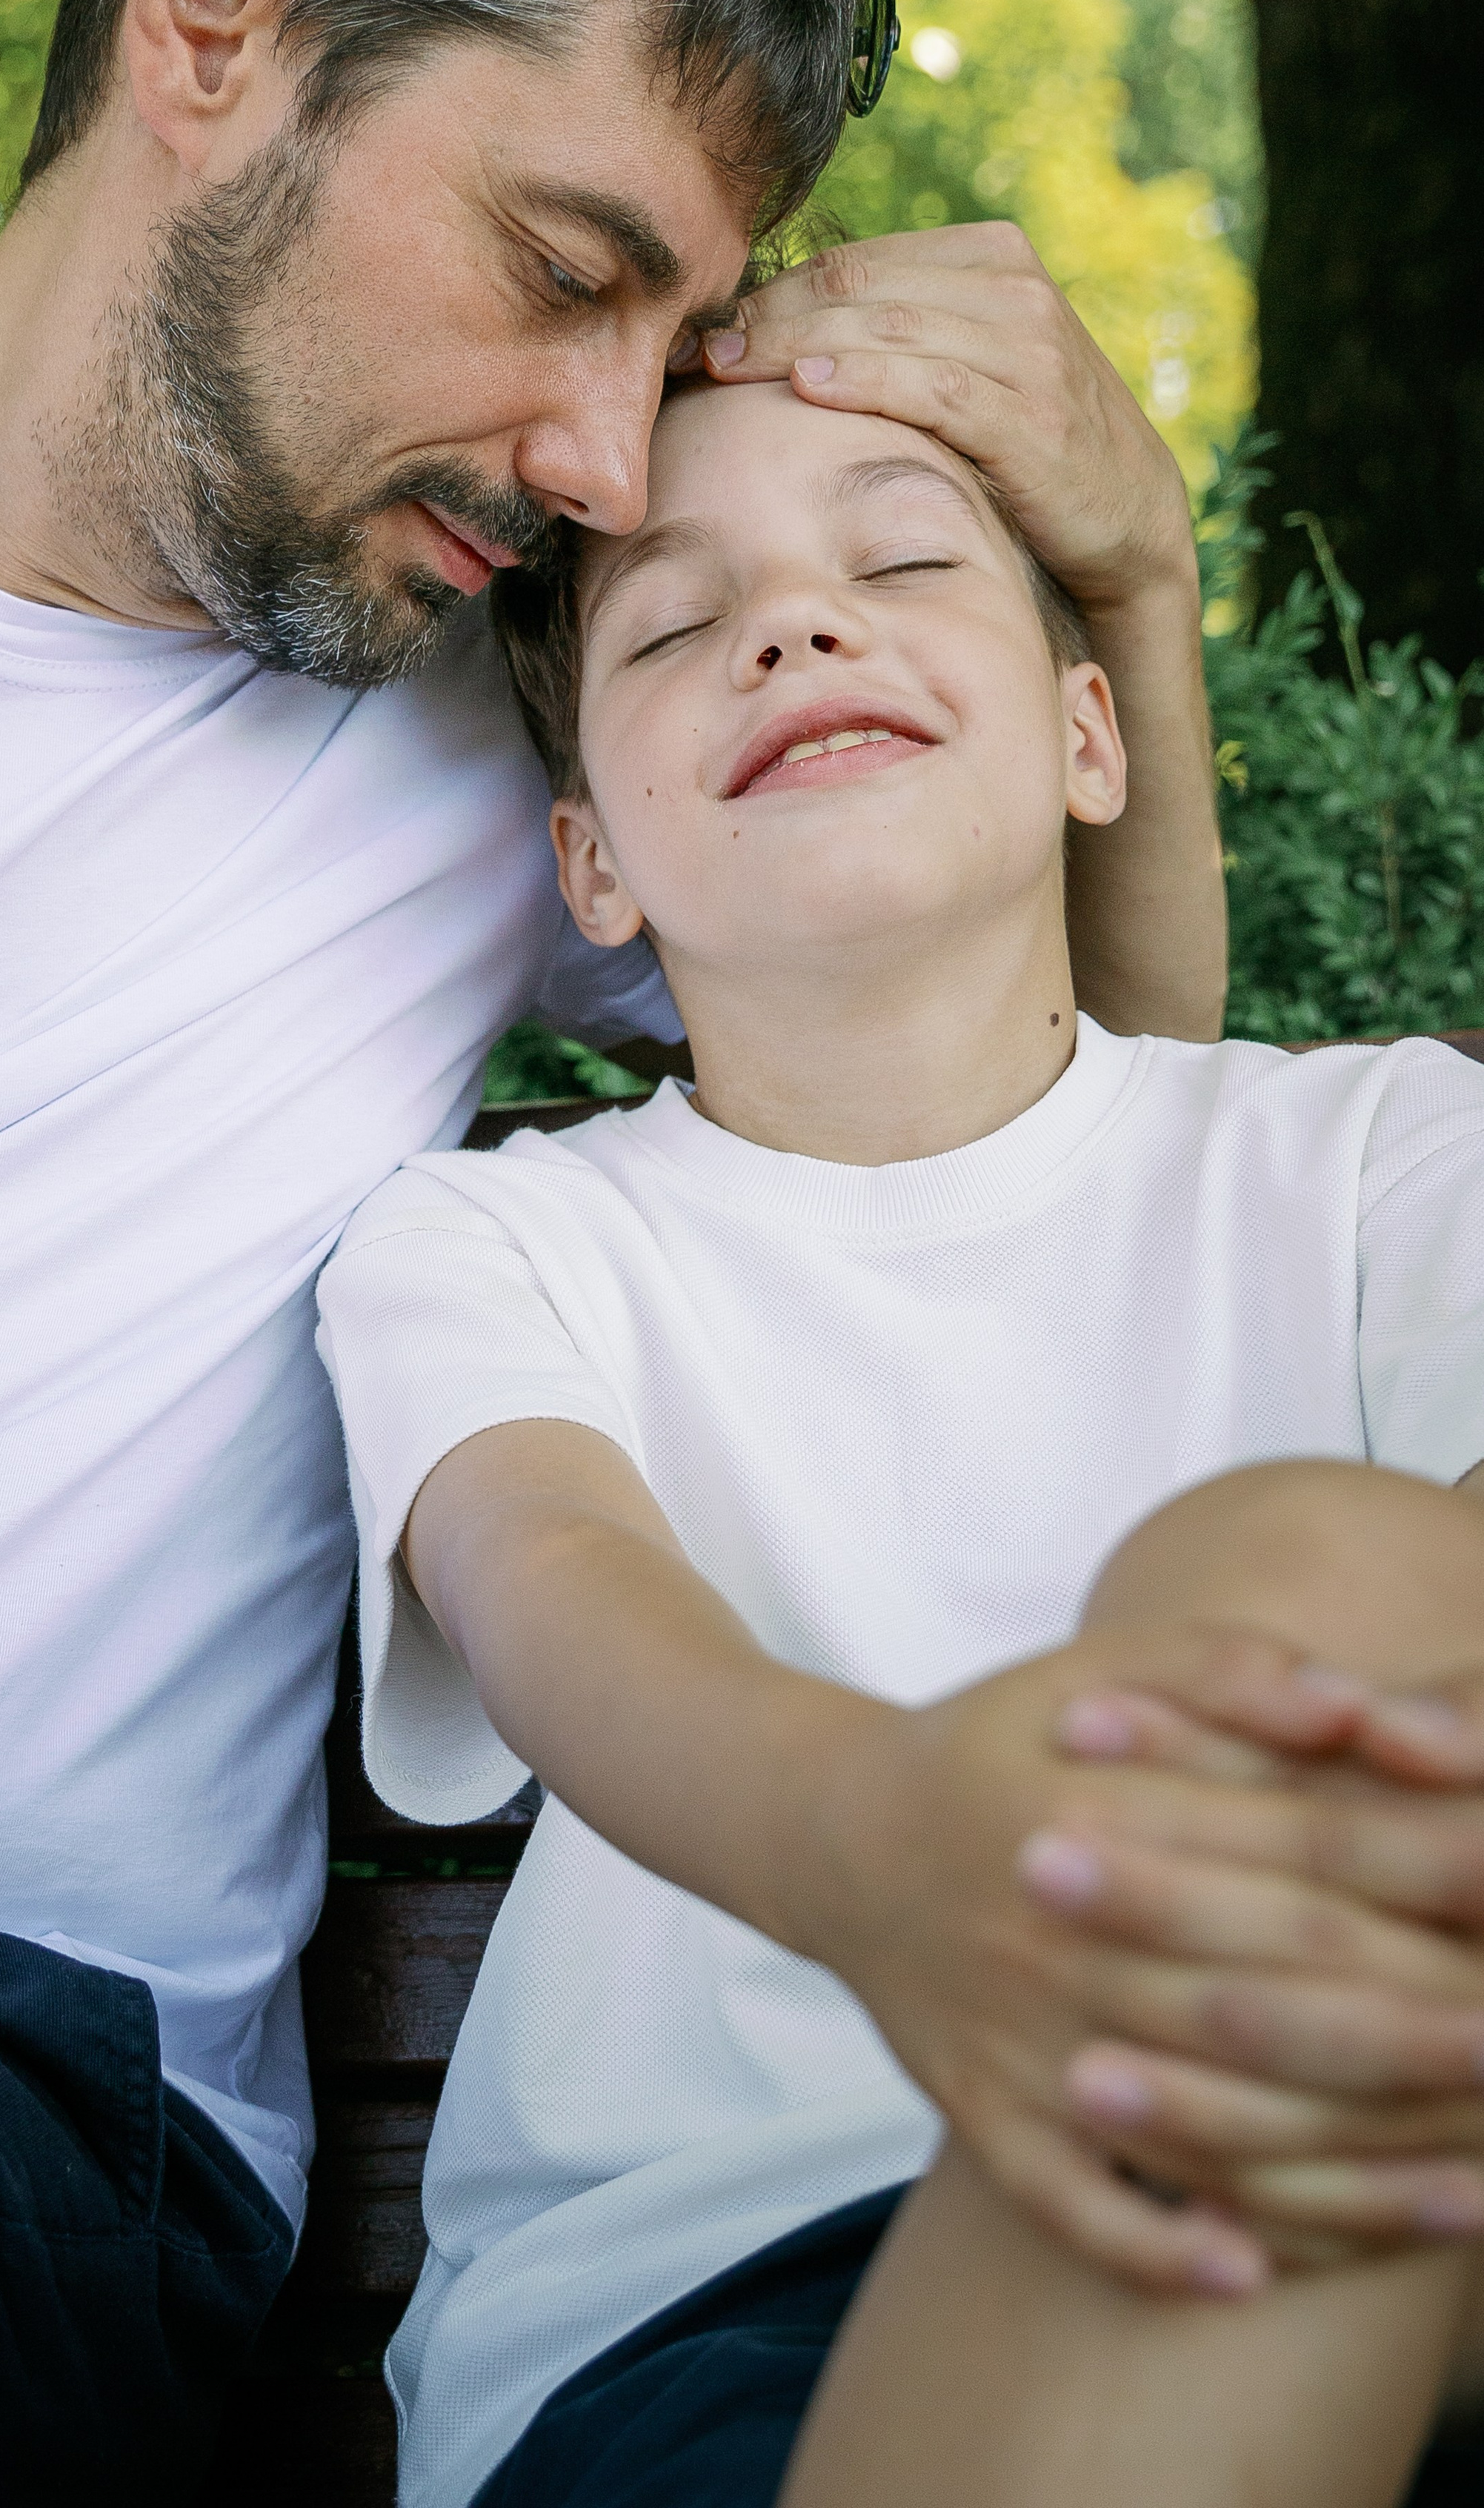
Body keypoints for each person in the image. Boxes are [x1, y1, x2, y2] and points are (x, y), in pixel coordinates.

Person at [0, 0, 1223, 2489]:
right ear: (218, 16)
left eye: (682, 332)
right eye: (570, 274)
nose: (611, 462)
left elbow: (1102, 1148)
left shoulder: (529, 748)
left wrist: (1138, 589)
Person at [315, 370, 1484, 2508]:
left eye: (906, 559)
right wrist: (894, 1853)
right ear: (591, 853)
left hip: (1387, 2219)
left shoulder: (1392, 1158)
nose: (794, 627)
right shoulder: (500, 1241)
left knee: (1326, 1571)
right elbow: (555, 1578)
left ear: (1089, 732)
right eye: (676, 627)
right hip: (722, 2296)